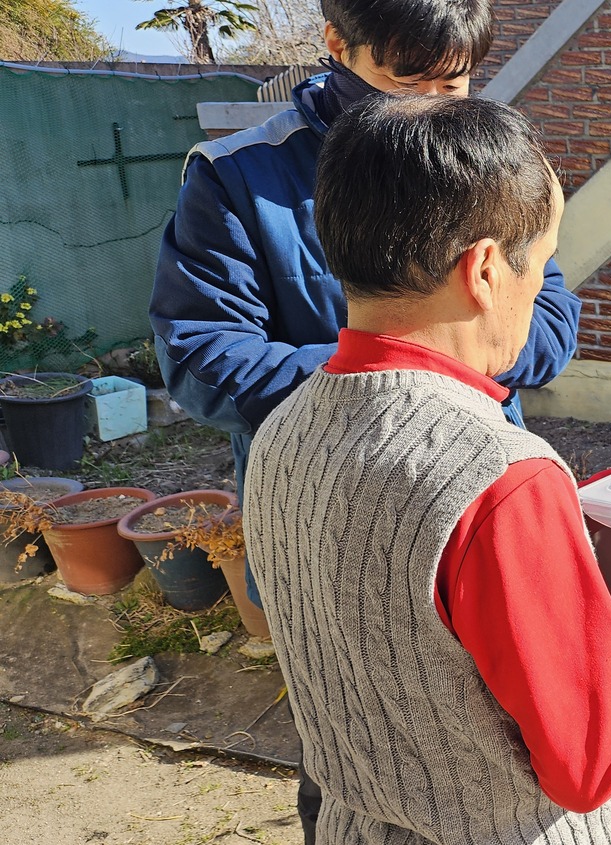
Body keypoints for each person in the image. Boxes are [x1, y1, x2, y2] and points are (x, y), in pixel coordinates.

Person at [243, 93, 611, 845]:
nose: (539, 292)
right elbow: (588, 758)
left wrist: (600, 494)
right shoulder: (503, 479)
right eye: (537, 265)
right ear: (483, 269)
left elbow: (407, 566)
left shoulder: (283, 432)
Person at [149, 4, 578, 838]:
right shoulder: (241, 175)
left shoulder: (488, 152)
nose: (432, 105)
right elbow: (200, 359)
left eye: (453, 81)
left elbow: (551, 317)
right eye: (405, 80)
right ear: (336, 46)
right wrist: (397, 371)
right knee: (348, 756)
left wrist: (413, 362)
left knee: (495, 748)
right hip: (326, 525)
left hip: (471, 514)